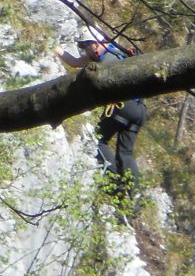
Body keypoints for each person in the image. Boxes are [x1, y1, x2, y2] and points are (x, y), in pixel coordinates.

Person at [54, 31, 147, 201]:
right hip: (139, 110)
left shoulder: (106, 60)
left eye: (85, 46)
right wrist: (56, 49)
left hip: (122, 106)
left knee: (97, 141)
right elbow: (75, 62)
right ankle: (134, 192)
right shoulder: (116, 51)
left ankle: (115, 182)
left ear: (94, 43)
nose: (84, 50)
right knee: (125, 153)